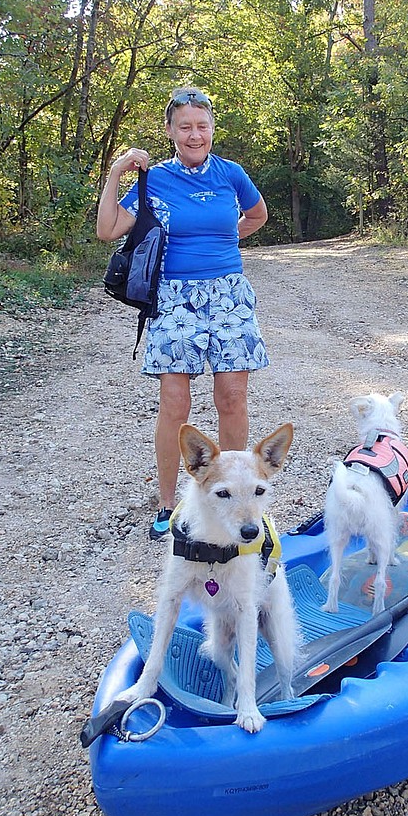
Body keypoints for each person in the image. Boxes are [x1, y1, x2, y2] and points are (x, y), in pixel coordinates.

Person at [96, 86, 270, 538]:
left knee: (231, 398)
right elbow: (108, 228)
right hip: (174, 298)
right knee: (175, 403)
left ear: (212, 129)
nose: (195, 135)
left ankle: (238, 498)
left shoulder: (231, 174)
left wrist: (224, 242)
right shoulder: (155, 182)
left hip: (229, 295)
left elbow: (256, 216)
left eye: (202, 126)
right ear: (171, 132)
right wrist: (117, 171)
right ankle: (169, 503)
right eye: (185, 127)